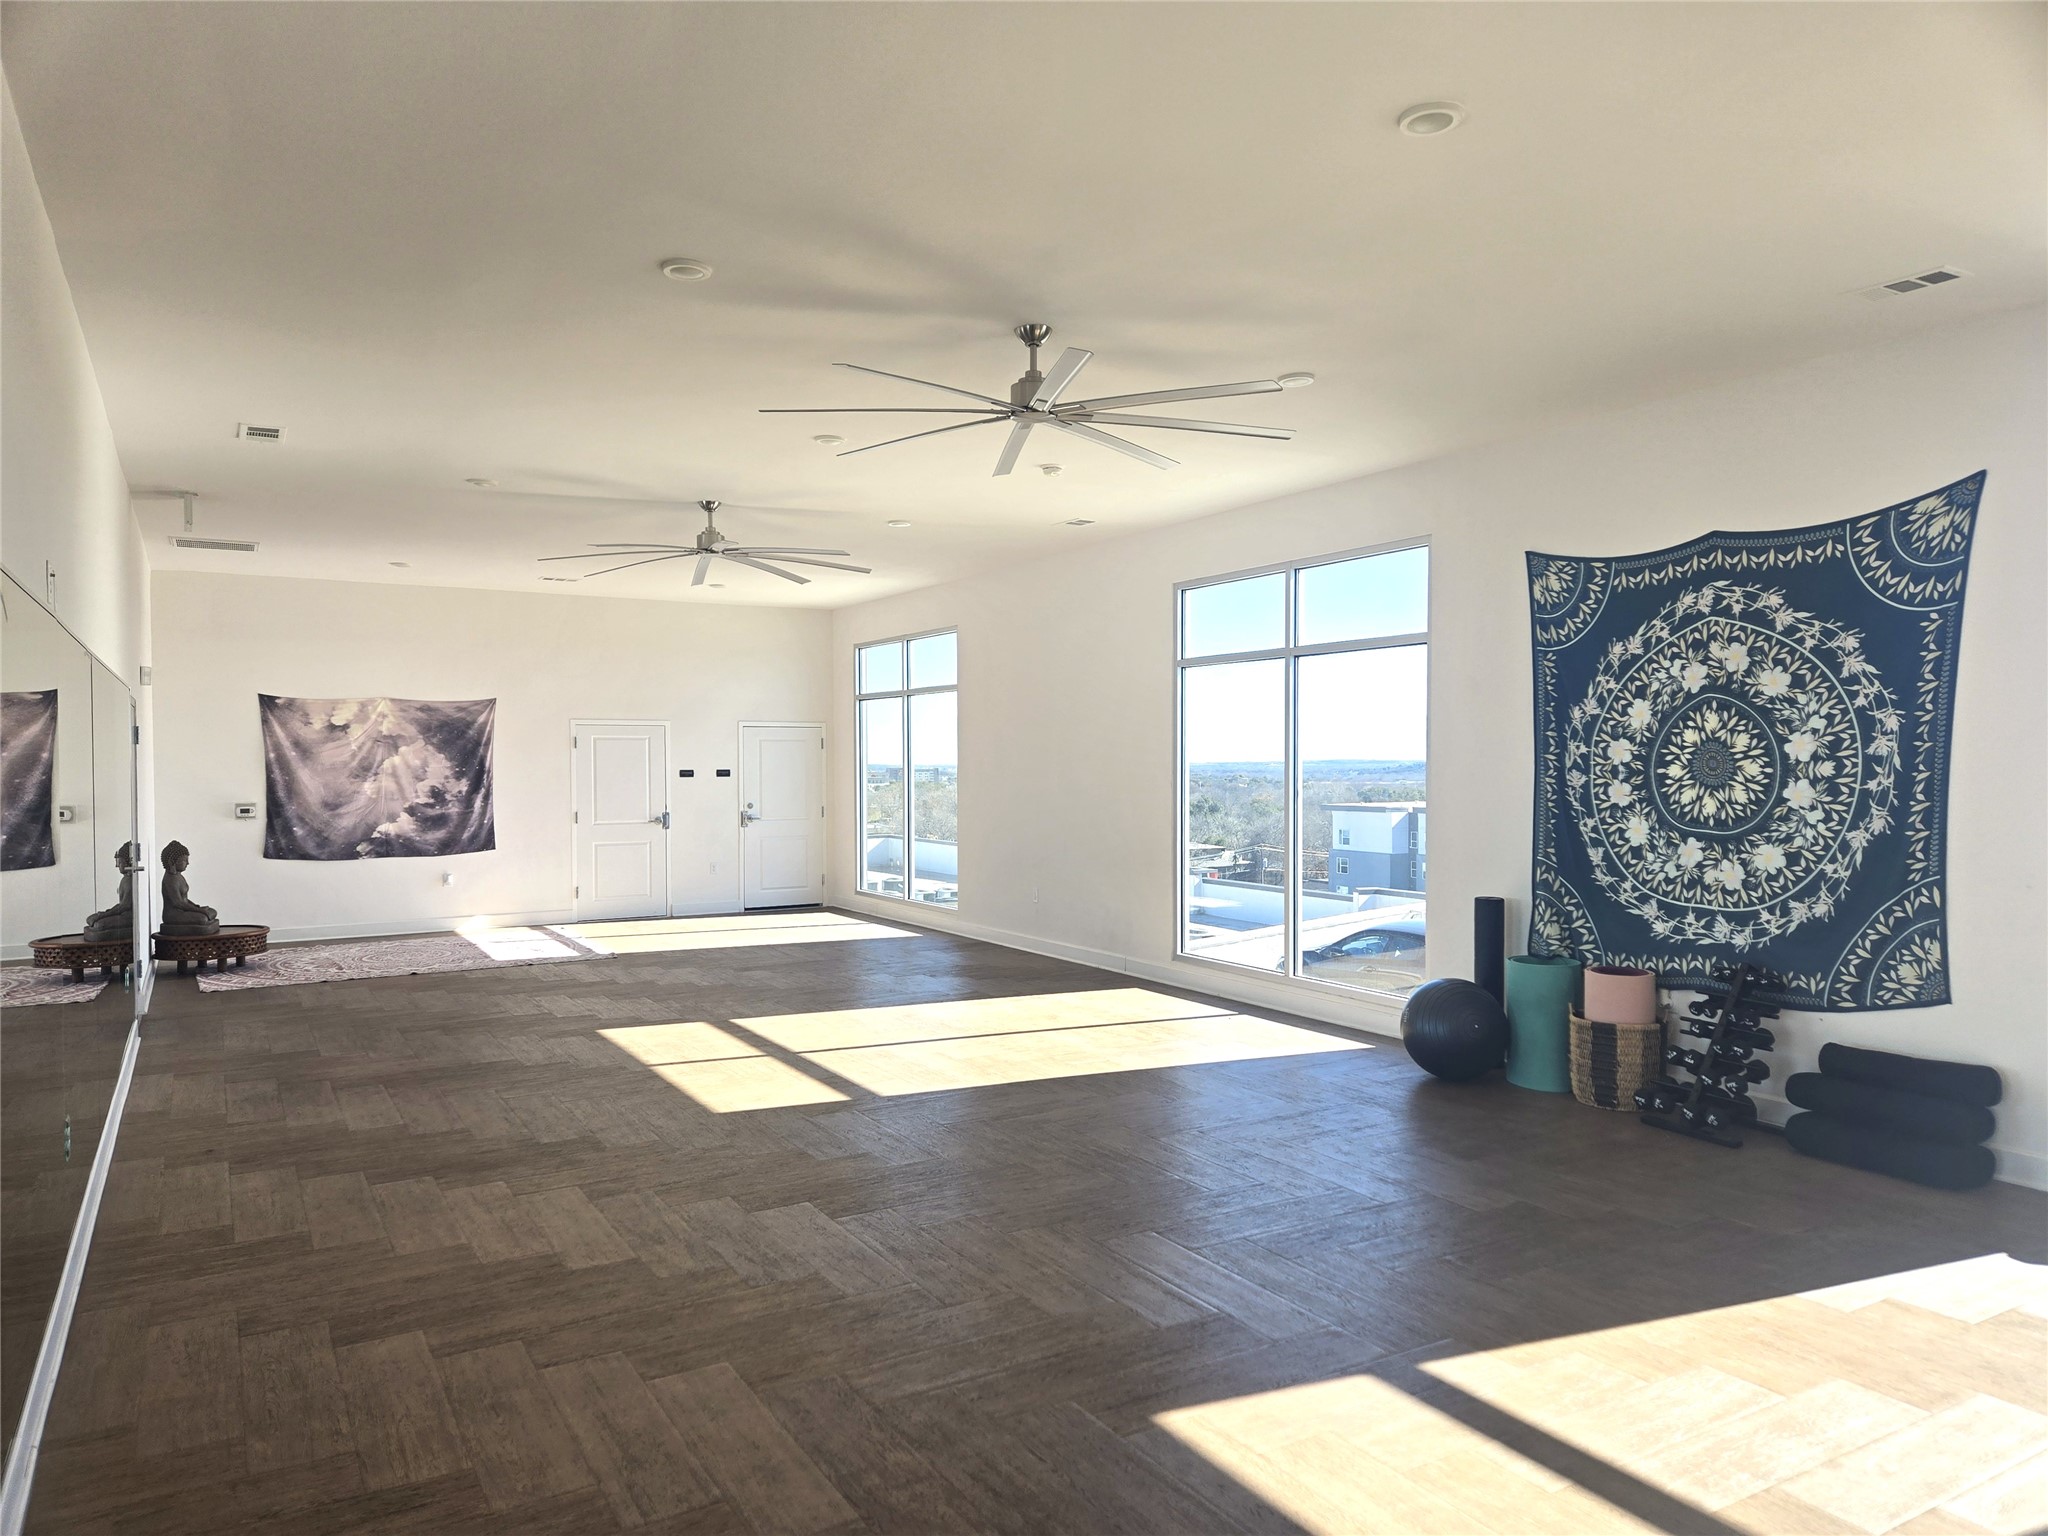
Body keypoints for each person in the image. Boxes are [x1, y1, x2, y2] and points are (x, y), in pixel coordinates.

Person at [158, 839, 219, 935]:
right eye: (184, 860)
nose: (188, 863)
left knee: (212, 912)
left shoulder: (179, 876)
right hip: (174, 915)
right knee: (202, 918)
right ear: (172, 862)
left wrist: (196, 906)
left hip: (185, 911)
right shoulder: (170, 880)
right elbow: (178, 903)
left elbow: (185, 900)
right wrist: (200, 911)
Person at [83, 841, 137, 941]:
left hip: (128, 916)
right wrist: (105, 913)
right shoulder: (126, 879)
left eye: (119, 863)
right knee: (91, 920)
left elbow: (125, 906)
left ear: (128, 863)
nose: (117, 866)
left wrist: (103, 914)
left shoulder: (130, 881)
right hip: (122, 913)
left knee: (99, 924)